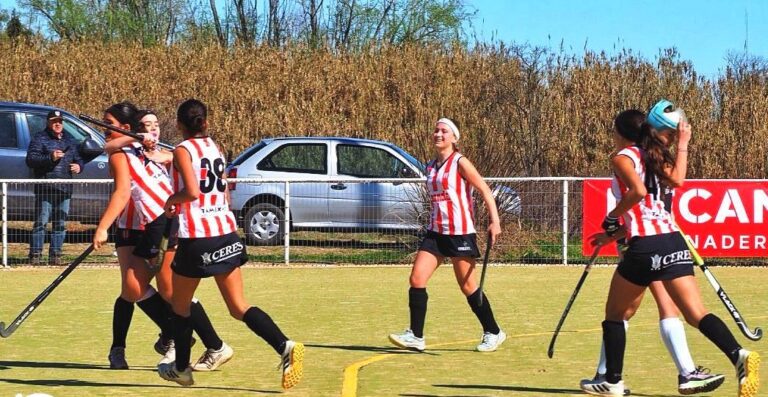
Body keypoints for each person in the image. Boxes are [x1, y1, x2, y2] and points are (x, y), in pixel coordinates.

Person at [579, 106, 760, 397]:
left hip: (644, 247)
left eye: (613, 131)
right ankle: (738, 354)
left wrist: (612, 217)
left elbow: (638, 193)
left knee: (615, 314)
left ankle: (612, 381)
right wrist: (613, 233)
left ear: (622, 133)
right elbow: (670, 187)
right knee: (696, 313)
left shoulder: (623, 157)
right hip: (673, 241)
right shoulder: (655, 156)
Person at [157, 99, 304, 388]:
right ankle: (285, 346)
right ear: (205, 122)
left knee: (180, 306)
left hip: (197, 237)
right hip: (225, 232)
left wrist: (171, 201)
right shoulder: (215, 147)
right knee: (238, 306)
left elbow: (192, 191)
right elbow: (218, 188)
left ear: (178, 124)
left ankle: (182, 369)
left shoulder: (182, 150)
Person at [98, 108, 234, 372]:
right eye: (146, 125)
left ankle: (201, 343)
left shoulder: (161, 152)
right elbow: (109, 148)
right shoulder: (124, 150)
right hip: (132, 226)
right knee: (132, 289)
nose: (152, 129)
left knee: (168, 290)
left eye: (156, 125)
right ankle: (133, 345)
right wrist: (135, 138)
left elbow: (183, 161)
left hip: (160, 221)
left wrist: (101, 228)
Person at [388, 118, 505, 353]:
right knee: (417, 279)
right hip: (436, 232)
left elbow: (484, 189)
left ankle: (493, 331)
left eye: (444, 131)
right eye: (436, 130)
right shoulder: (431, 166)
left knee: (468, 286)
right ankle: (416, 336)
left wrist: (495, 221)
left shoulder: (460, 162)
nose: (439, 134)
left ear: (454, 138)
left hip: (459, 233)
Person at [25, 110, 84, 266]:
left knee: (60, 224)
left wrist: (79, 166)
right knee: (41, 222)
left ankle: (55, 255)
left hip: (65, 188)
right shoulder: (40, 138)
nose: (57, 124)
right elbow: (31, 160)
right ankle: (35, 255)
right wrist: (50, 158)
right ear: (48, 122)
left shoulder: (70, 139)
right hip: (46, 187)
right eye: (54, 121)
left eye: (60, 121)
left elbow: (79, 158)